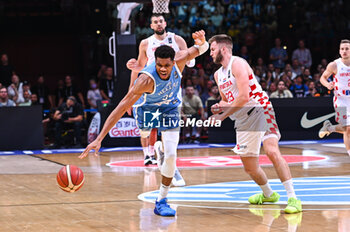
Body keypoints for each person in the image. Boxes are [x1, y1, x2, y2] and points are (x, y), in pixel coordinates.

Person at [79, 30, 209, 217]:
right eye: (159, 65)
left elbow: (200, 49)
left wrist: (202, 42)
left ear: (174, 62)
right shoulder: (145, 79)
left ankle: (162, 199)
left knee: (172, 156)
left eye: (166, 65)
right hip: (147, 109)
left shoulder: (181, 59)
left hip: (170, 109)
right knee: (145, 134)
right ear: (154, 62)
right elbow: (120, 108)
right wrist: (99, 138)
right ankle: (155, 147)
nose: (163, 69)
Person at [208, 34, 302, 214]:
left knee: (272, 151)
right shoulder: (217, 74)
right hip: (243, 119)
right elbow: (228, 100)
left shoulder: (238, 64)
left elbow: (244, 97)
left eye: (212, 50)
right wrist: (220, 107)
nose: (210, 54)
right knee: (250, 167)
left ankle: (293, 198)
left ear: (223, 49)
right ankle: (268, 195)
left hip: (260, 109)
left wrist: (222, 115)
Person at [127, 14, 193, 188]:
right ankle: (153, 151)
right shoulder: (145, 43)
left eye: (161, 21)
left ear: (165, 23)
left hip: (172, 91)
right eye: (155, 21)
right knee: (146, 130)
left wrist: (195, 51)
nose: (158, 24)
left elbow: (190, 60)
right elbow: (139, 68)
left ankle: (170, 163)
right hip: (152, 91)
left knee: (169, 132)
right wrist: (130, 86)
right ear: (150, 25)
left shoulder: (177, 39)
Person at [319, 39, 350, 156]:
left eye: (347, 49)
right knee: (348, 128)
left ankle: (330, 128)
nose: (344, 51)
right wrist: (328, 85)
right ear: (339, 51)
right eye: (342, 49)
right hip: (341, 99)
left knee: (346, 128)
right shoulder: (334, 65)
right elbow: (323, 78)